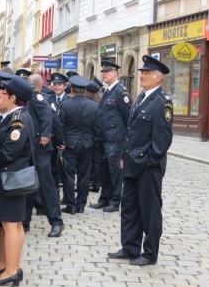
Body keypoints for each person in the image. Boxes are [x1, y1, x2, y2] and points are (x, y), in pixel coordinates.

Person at [108, 55, 173, 266]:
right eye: (142, 73)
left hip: (148, 166)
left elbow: (162, 139)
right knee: (129, 208)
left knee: (150, 210)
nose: (142, 76)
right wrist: (126, 158)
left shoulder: (162, 102)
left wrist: (149, 161)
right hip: (132, 164)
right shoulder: (143, 97)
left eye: (146, 73)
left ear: (158, 77)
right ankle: (130, 247)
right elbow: (132, 132)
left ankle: (150, 253)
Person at [0, 76, 34, 286]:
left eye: (2, 94)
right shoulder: (6, 117)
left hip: (12, 176)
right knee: (2, 221)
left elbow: (8, 152)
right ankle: (4, 261)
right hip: (2, 176)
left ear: (13, 98)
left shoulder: (19, 120)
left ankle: (13, 269)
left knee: (12, 224)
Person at [24, 73, 65, 237]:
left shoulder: (35, 96)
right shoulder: (22, 96)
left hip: (40, 148)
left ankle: (56, 222)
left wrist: (46, 135)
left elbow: (47, 114)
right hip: (28, 147)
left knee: (46, 186)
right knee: (26, 186)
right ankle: (24, 222)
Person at [90, 60, 131, 213]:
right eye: (103, 72)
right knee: (104, 171)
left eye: (107, 71)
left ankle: (115, 201)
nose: (104, 74)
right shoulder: (108, 91)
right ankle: (104, 198)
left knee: (114, 171)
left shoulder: (121, 92)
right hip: (103, 137)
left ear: (115, 73)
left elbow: (128, 117)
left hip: (115, 138)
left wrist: (126, 139)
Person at [58, 75, 98, 214]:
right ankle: (81, 204)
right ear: (85, 90)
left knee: (68, 175)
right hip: (87, 144)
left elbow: (60, 126)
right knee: (84, 175)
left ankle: (70, 205)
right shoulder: (94, 105)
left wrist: (61, 142)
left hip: (70, 144)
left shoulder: (65, 104)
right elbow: (97, 127)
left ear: (72, 89)